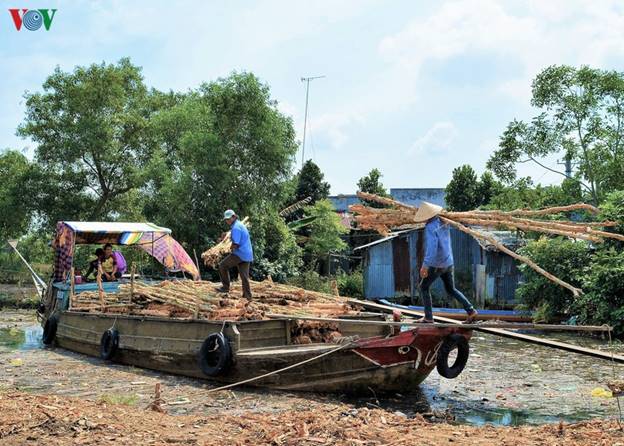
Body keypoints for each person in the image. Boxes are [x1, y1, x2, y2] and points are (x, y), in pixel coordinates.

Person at [417, 202, 478, 324]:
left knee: (423, 287)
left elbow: (432, 248)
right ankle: (471, 310)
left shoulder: (430, 227)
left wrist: (425, 265)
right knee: (451, 289)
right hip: (448, 262)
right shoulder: (444, 222)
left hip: (437, 264)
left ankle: (428, 317)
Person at [217, 210, 253, 299]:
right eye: (226, 219)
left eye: (229, 219)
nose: (227, 221)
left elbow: (235, 244)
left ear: (234, 217)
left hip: (239, 253)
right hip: (247, 254)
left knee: (222, 266)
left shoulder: (236, 227)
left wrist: (224, 248)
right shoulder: (239, 224)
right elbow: (233, 237)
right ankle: (247, 296)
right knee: (244, 277)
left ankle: (225, 287)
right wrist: (224, 238)